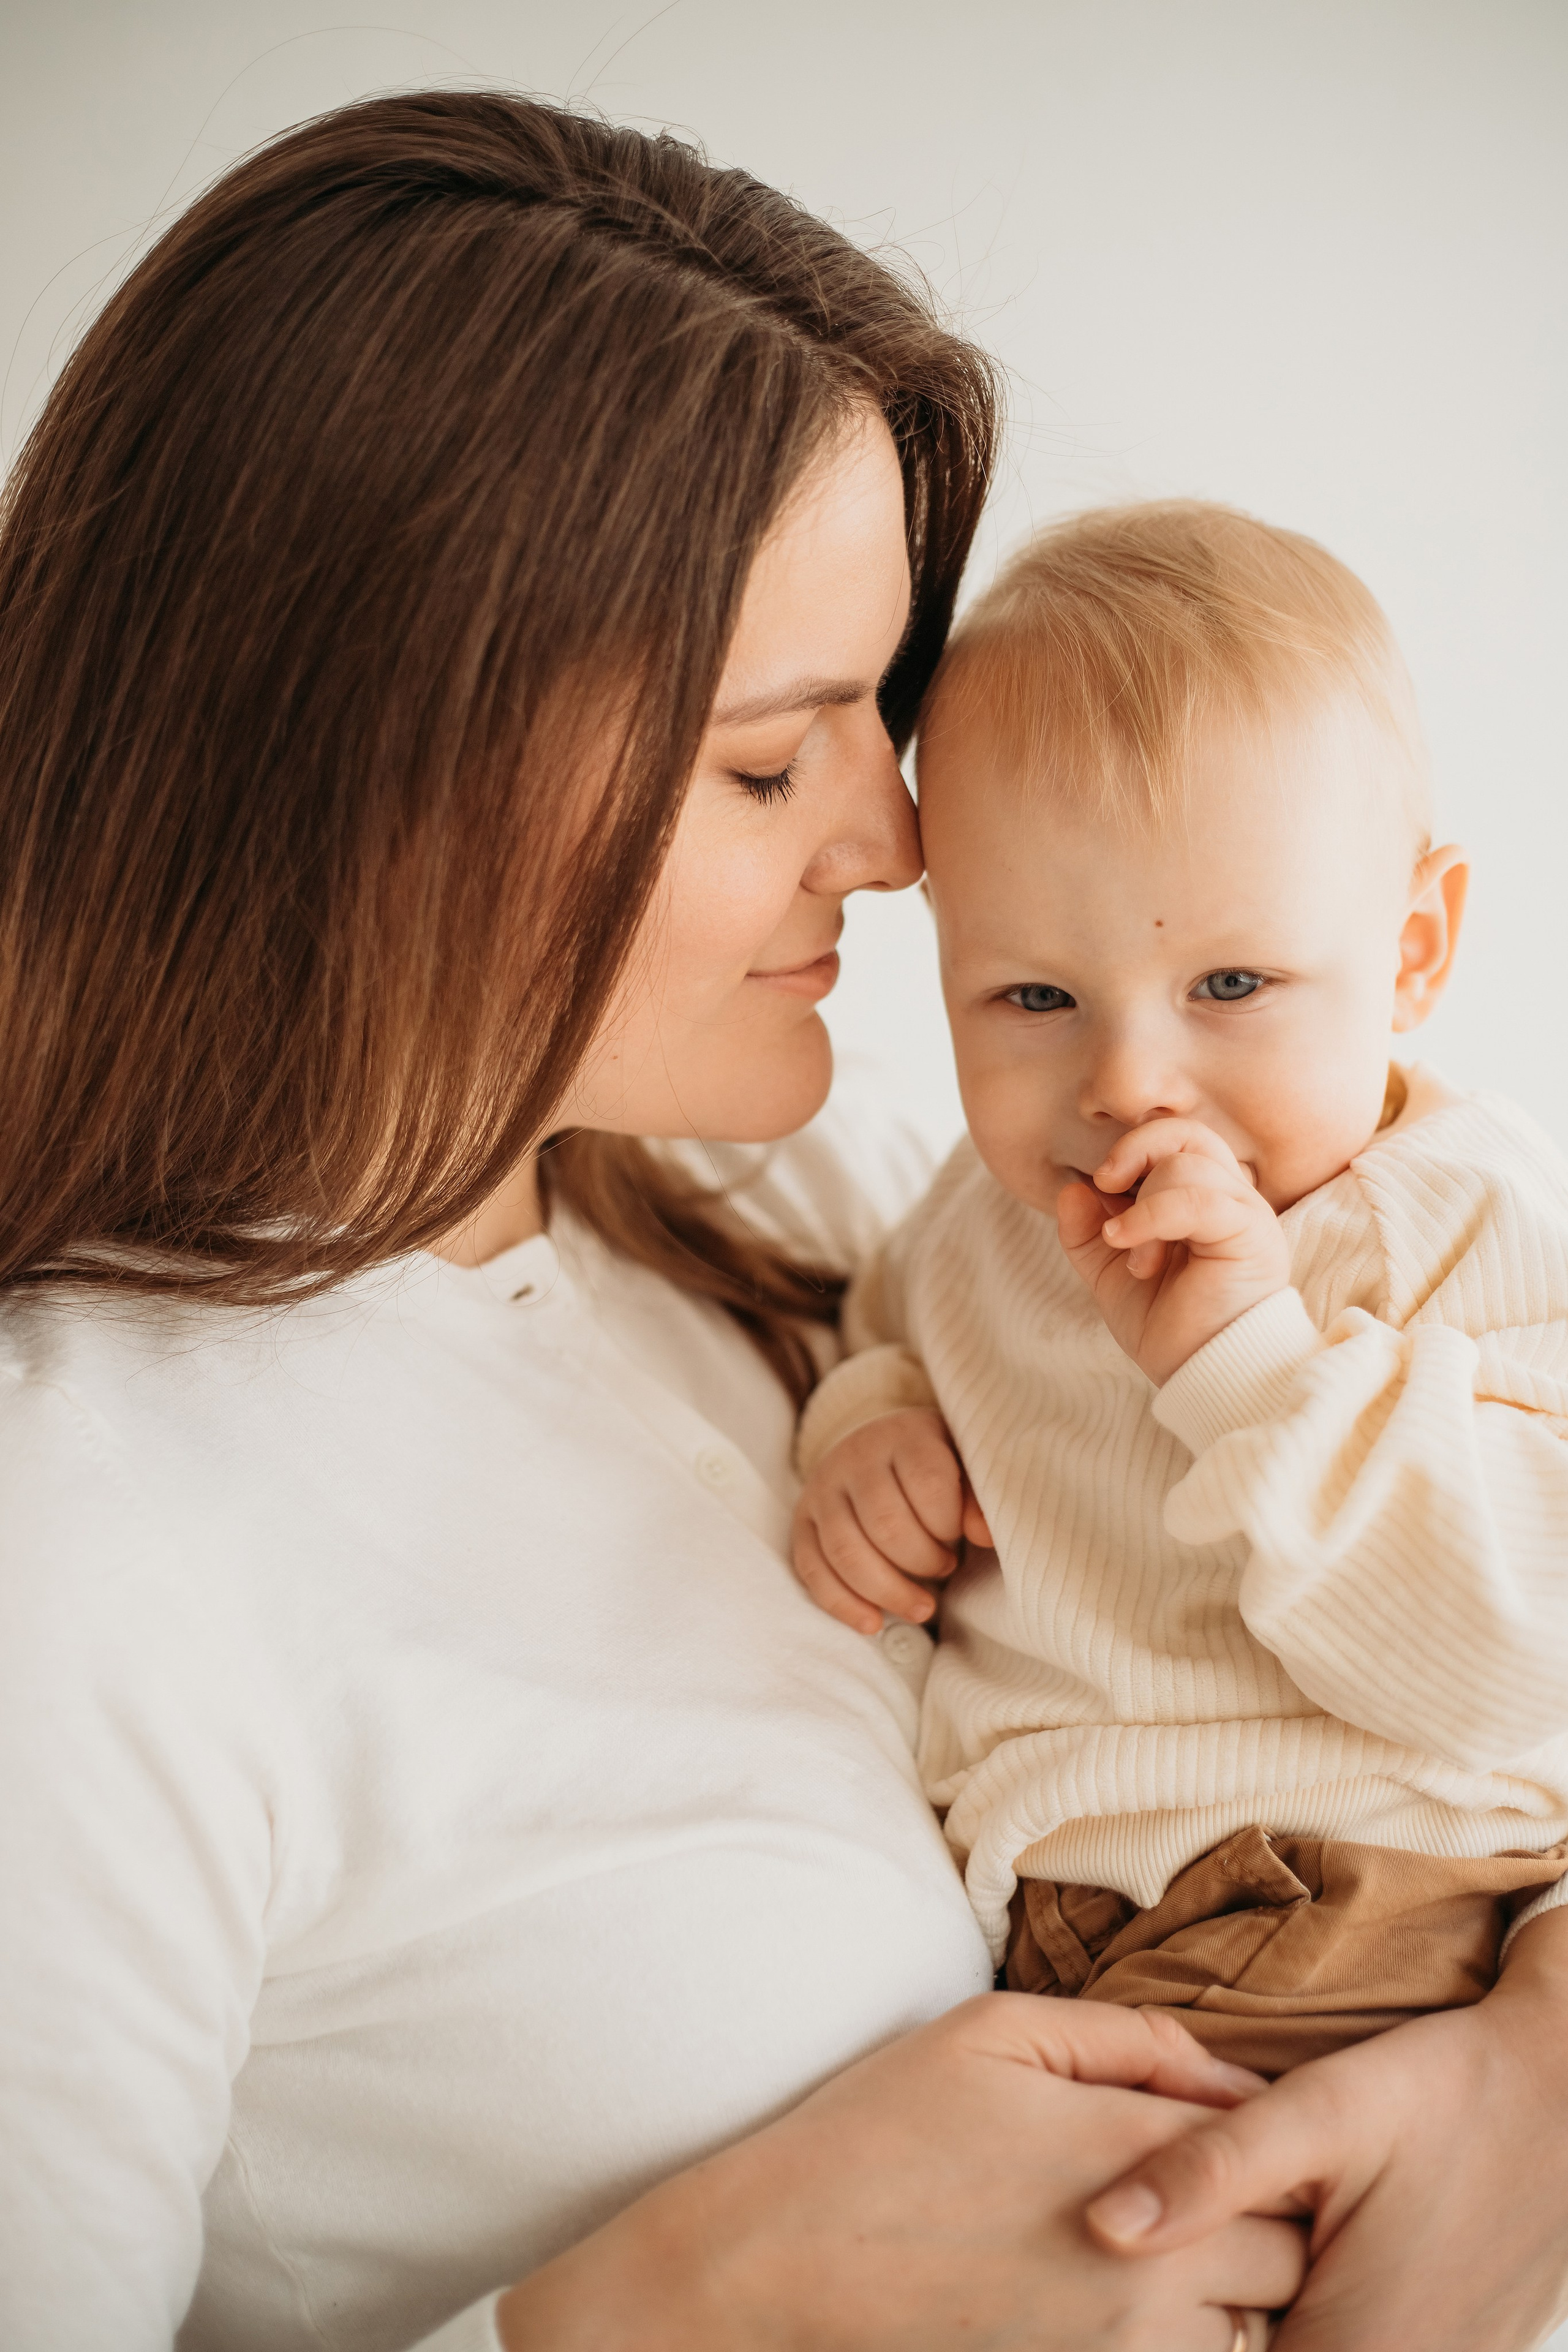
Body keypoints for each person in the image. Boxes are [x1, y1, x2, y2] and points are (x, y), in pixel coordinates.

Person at [0, 92, 1554, 2352]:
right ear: (374, 767)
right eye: (770, 760)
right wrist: (651, 2316)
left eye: (881, 722)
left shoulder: (791, 1225)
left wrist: (1537, 2078)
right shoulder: (75, 1560)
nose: (907, 849)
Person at [791, 507, 1568, 2057]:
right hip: (1052, 1911)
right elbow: (880, 1336)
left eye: (1229, 985)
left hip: (1355, 1890)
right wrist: (864, 1435)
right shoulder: (974, 1216)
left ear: (1412, 949)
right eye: (1032, 995)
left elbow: (1520, 1652)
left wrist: (1253, 1370)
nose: (1127, 1078)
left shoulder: (1465, 1219)